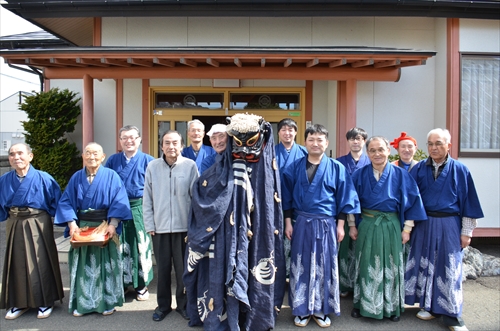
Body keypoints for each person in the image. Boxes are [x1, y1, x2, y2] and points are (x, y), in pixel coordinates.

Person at [184, 113, 285, 331]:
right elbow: (209, 190)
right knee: (227, 269)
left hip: (257, 230)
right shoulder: (222, 162)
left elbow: (270, 204)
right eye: (238, 143)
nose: (245, 150)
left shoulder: (267, 169)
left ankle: (256, 313)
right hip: (227, 231)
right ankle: (227, 313)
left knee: (254, 266)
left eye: (250, 142)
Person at [282, 124, 360, 328]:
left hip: (327, 223)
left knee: (325, 266)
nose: (315, 143)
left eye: (320, 140)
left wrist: (341, 225)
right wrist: (288, 223)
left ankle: (321, 308)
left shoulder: (337, 167)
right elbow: (286, 198)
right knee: (301, 265)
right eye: (311, 139)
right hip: (301, 222)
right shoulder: (294, 167)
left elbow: (345, 198)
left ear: (326, 143)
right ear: (305, 142)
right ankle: (301, 309)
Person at [405, 128, 483, 331]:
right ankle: (429, 306)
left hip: (450, 224)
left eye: (438, 143)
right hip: (424, 223)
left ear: (448, 145)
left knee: (449, 267)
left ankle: (452, 314)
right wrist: (408, 227)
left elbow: (469, 202)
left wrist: (467, 232)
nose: (433, 147)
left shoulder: (460, 170)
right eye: (430, 144)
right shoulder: (419, 169)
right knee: (425, 263)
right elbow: (410, 199)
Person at [350, 136, 426, 322]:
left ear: (388, 151)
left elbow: (412, 202)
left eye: (381, 149)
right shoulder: (359, 175)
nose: (377, 154)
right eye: (373, 150)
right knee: (365, 263)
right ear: (367, 153)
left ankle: (392, 307)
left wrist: (407, 228)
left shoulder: (401, 174)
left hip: (391, 224)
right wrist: (352, 225)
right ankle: (362, 305)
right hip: (367, 224)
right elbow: (350, 201)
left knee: (392, 264)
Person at [55, 142, 132, 317]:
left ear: (103, 156)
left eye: (96, 153)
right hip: (82, 226)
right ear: (83, 156)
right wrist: (72, 224)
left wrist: (113, 224)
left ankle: (107, 302)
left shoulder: (112, 176)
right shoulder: (76, 177)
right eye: (88, 153)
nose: (92, 157)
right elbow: (66, 201)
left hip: (104, 226)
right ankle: (82, 304)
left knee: (107, 265)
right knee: (83, 264)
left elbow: (119, 201)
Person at [0, 143, 64, 320]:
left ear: (30, 156)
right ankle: (18, 302)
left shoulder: (44, 178)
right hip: (14, 222)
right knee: (16, 262)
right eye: (12, 154)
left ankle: (45, 300)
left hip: (38, 221)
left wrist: (70, 224)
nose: (16, 157)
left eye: (20, 153)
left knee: (40, 260)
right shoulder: (4, 180)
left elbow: (57, 203)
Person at [143, 130, 198, 322]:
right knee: (163, 269)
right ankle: (163, 305)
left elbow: (196, 199)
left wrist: (194, 226)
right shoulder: (152, 167)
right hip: (160, 229)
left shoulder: (190, 166)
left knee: (184, 269)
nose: (171, 147)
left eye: (175, 143)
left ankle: (183, 305)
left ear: (182, 145)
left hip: (184, 229)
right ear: (161, 146)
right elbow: (147, 199)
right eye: (167, 143)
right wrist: (149, 224)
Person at [105, 125, 154, 301]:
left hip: (139, 208)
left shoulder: (149, 160)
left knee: (140, 245)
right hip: (117, 209)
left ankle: (141, 284)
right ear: (120, 141)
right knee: (120, 247)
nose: (129, 141)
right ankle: (123, 283)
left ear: (140, 139)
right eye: (124, 138)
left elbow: (154, 189)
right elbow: (107, 185)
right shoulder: (112, 160)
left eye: (132, 137)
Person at [336, 127, 371, 297]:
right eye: (352, 139)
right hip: (344, 212)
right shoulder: (339, 162)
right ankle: (345, 284)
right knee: (345, 249)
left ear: (364, 141)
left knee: (364, 250)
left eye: (359, 139)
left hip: (366, 212)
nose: (355, 142)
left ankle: (360, 283)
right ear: (347, 141)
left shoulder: (371, 162)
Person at [274, 118, 307, 278]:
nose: (287, 133)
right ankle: (279, 275)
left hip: (297, 204)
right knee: (277, 240)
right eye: (283, 130)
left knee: (297, 239)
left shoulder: (304, 152)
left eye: (290, 130)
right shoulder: (270, 152)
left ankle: (295, 274)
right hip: (276, 203)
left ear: (296, 132)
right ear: (278, 132)